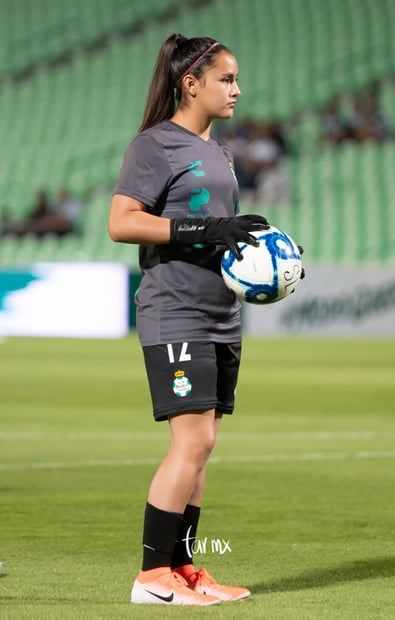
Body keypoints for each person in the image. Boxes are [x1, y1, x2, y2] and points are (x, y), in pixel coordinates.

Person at [108, 33, 271, 606]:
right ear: (191, 84)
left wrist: (247, 252)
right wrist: (206, 230)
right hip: (175, 311)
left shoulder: (217, 148)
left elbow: (214, 227)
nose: (236, 89)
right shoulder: (155, 145)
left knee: (203, 447)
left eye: (235, 78)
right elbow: (122, 222)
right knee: (191, 440)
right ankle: (151, 578)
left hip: (220, 313)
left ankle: (183, 570)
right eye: (226, 79)